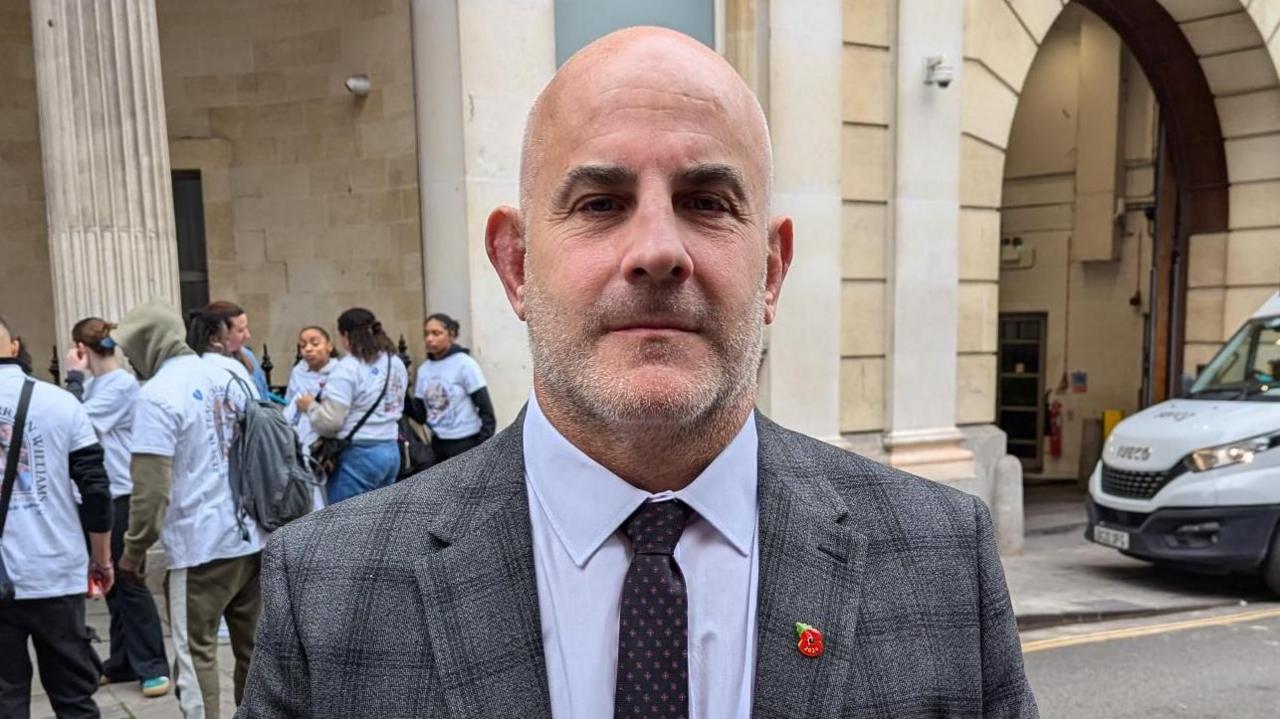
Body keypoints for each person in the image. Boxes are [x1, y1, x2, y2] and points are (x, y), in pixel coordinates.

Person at [239, 27, 1037, 718]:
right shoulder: (328, 588)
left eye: (707, 201)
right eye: (599, 202)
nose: (658, 249)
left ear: (772, 269)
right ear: (516, 265)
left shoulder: (941, 561)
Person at [115, 300, 264, 719]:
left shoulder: (157, 394)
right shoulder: (230, 372)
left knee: (194, 654)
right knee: (253, 649)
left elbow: (151, 490)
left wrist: (133, 550)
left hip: (199, 546)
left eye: (131, 350)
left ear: (148, 343)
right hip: (251, 533)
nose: (128, 360)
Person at [0, 315, 114, 718]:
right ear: (14, 346)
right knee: (74, 700)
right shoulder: (60, 402)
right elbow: (96, 489)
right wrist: (101, 558)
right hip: (54, 568)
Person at [62, 318, 170, 698]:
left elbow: (75, 422)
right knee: (111, 585)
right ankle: (124, 661)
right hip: (99, 495)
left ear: (80, 348)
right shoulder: (96, 385)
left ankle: (153, 665)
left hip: (121, 493)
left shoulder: (120, 385)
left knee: (130, 580)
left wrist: (73, 377)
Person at [297, 309, 407, 504]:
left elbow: (330, 422)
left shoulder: (348, 367)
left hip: (358, 455)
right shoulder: (394, 362)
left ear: (346, 335)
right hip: (391, 449)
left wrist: (310, 406)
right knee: (382, 523)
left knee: (347, 527)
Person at [406, 313, 495, 463]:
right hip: (438, 443)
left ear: (451, 335)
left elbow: (485, 408)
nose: (429, 339)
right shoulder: (424, 370)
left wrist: (482, 445)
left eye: (436, 333)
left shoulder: (464, 364)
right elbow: (420, 415)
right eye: (426, 334)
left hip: (465, 442)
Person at [282, 326, 338, 508]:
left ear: (329, 345)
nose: (308, 349)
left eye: (315, 343)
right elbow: (289, 404)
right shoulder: (298, 371)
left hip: (328, 441)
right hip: (304, 439)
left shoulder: (340, 371)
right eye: (302, 345)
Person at [200, 301, 271, 400]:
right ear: (217, 337)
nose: (247, 335)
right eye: (240, 330)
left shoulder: (248, 357)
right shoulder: (202, 365)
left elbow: (264, 398)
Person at [188, 308, 261, 400]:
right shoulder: (232, 366)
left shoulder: (185, 368)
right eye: (226, 338)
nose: (247, 335)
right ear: (214, 340)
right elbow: (256, 401)